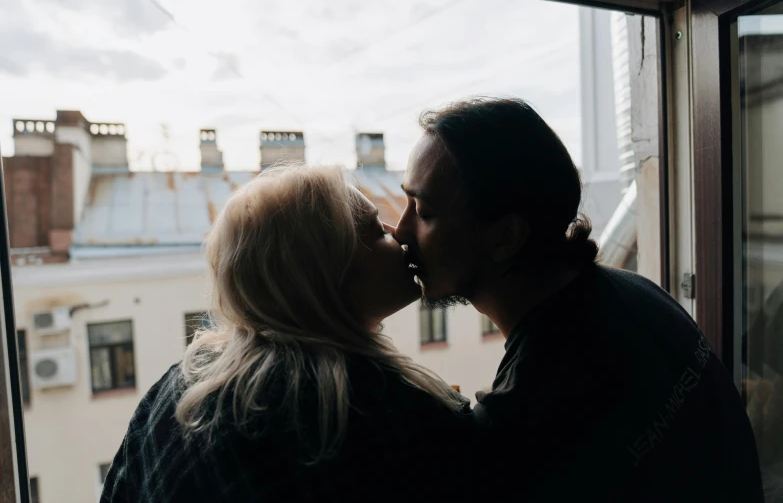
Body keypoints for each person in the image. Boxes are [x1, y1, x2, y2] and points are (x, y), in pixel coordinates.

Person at [394, 97, 765, 502]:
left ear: (505, 237)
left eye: (423, 211)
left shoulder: (527, 411)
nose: (400, 230)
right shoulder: (636, 294)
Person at [100, 165, 475, 503]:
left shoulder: (179, 388)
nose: (401, 234)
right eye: (377, 231)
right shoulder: (385, 410)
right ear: (327, 275)